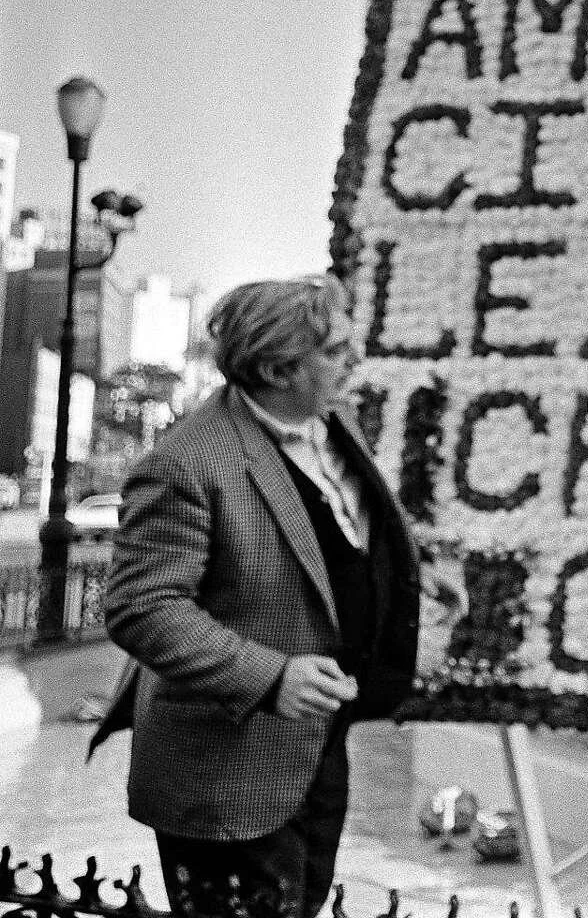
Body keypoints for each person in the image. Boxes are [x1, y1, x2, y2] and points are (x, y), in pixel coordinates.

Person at [99, 275, 419, 918]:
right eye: (334, 351)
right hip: (228, 767)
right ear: (277, 367)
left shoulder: (331, 423)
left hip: (316, 743)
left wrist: (404, 575)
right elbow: (142, 605)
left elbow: (339, 534)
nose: (354, 362)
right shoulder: (191, 461)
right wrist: (269, 675)